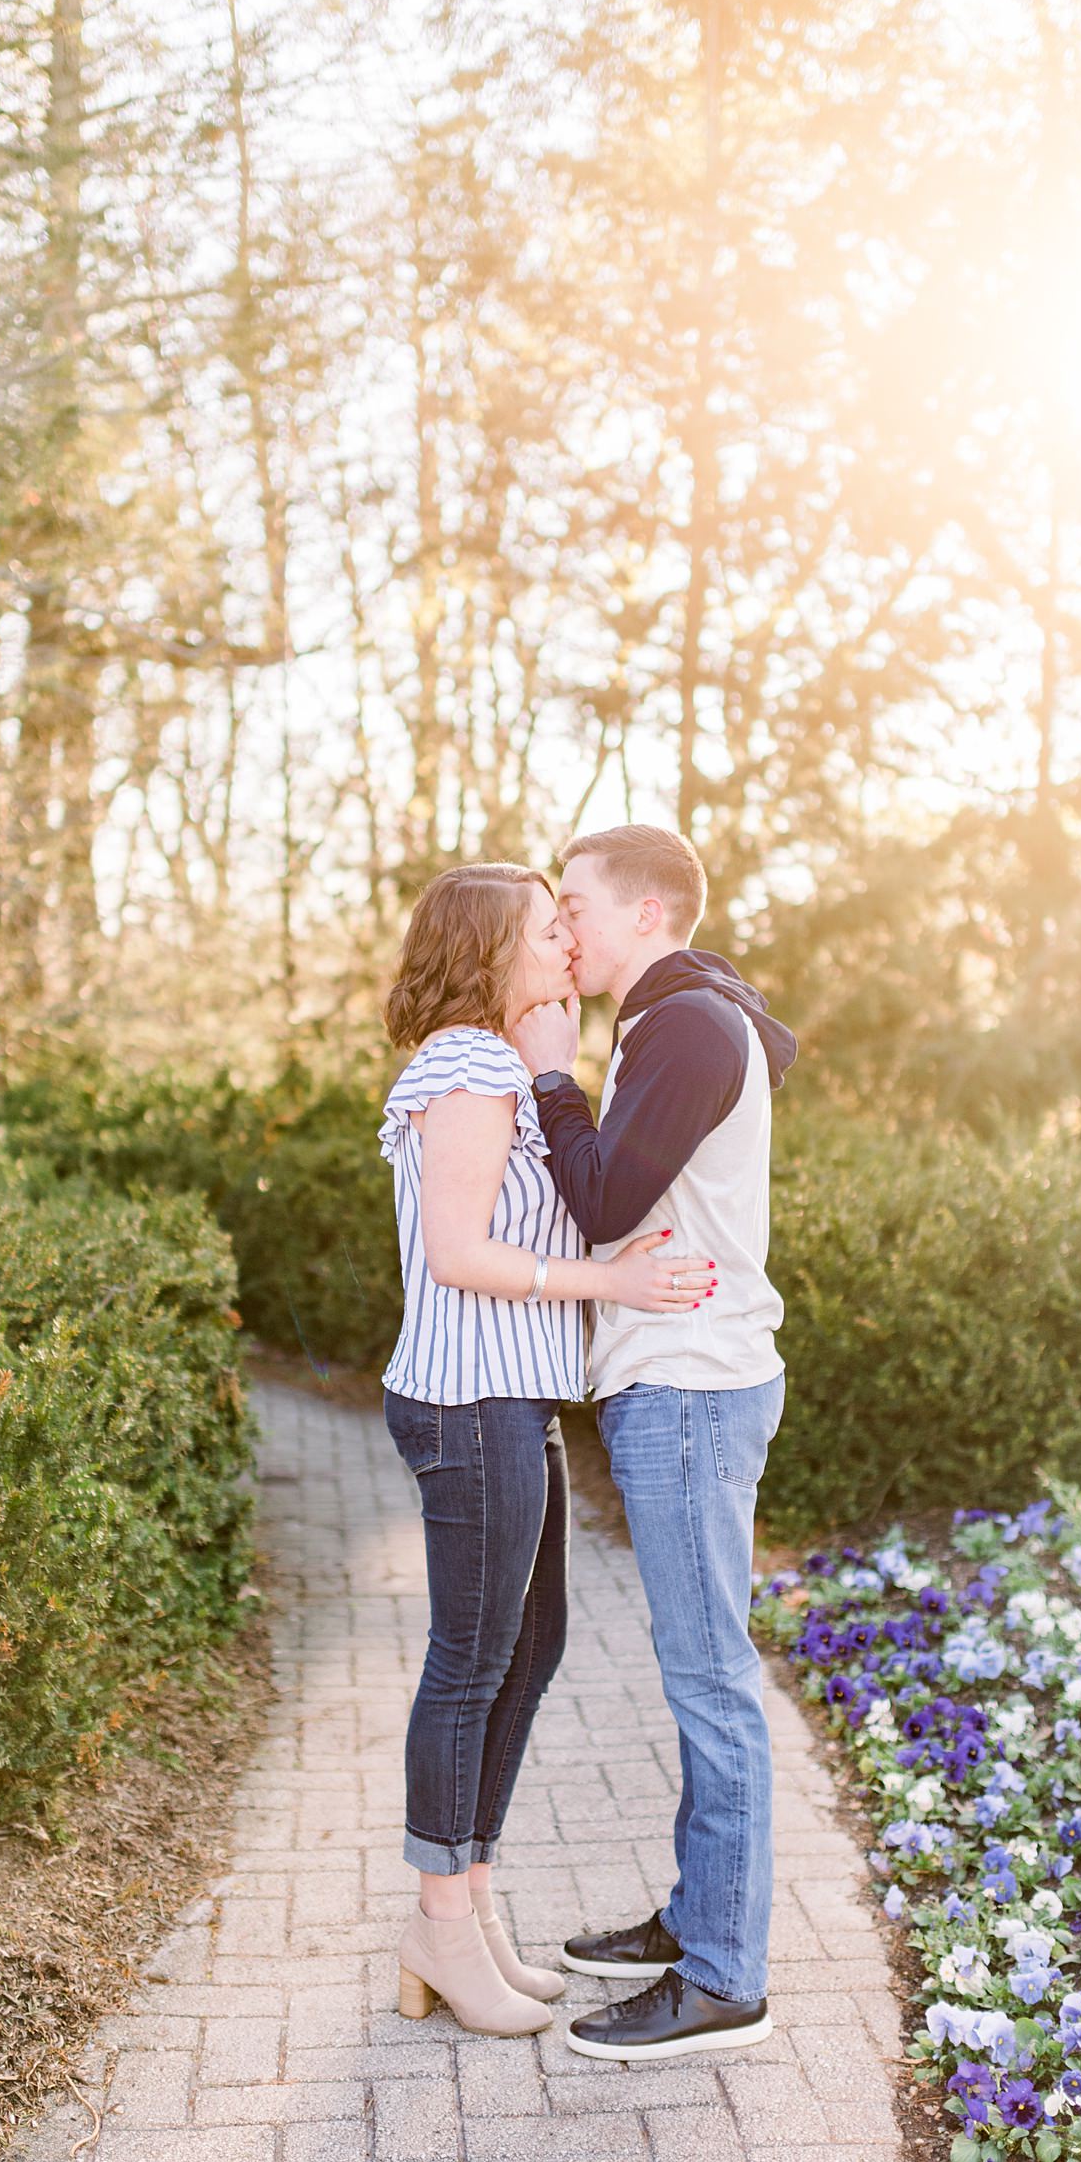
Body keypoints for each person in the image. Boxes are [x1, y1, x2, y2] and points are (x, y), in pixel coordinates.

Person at [380, 861, 717, 2038]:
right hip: (469, 1403)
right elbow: (462, 1250)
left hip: (513, 1398)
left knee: (534, 1644)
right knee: (471, 1662)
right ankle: (439, 1919)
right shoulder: (469, 1064)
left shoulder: (511, 1068)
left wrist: (558, 1071)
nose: (565, 945)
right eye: (543, 929)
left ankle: (466, 1909)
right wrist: (611, 1281)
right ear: (488, 953)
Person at [512, 824, 797, 2061]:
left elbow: (607, 1199)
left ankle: (726, 1978)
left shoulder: (682, 1025)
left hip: (687, 1386)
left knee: (709, 1680)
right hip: (682, 1381)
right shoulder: (677, 1018)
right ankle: (697, 1920)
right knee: (701, 1675)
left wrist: (546, 1075)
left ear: (643, 912)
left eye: (574, 904)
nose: (562, 926)